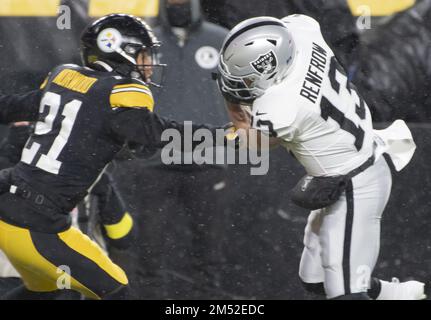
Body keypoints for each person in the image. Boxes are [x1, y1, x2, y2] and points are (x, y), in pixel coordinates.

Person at [0, 13, 224, 300]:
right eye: (145, 55)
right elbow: (160, 133)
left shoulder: (65, 80)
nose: (151, 63)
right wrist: (227, 135)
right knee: (118, 290)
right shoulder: (118, 93)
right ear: (123, 52)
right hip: (37, 224)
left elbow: (9, 107)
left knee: (46, 291)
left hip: (9, 203)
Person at [216, 15, 425, 300]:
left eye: (249, 78)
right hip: (349, 167)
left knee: (347, 294)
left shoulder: (281, 108)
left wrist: (230, 99)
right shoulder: (303, 32)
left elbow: (252, 140)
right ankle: (403, 295)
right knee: (317, 282)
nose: (244, 84)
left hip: (356, 184)